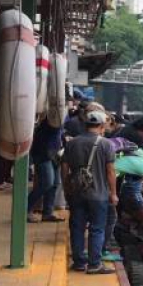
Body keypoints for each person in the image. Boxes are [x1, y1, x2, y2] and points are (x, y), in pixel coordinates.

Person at [62, 110, 118, 274]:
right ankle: (94, 264)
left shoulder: (72, 143)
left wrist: (66, 188)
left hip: (77, 193)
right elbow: (110, 172)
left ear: (85, 125)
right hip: (99, 195)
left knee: (77, 227)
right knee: (97, 228)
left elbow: (64, 167)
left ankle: (79, 262)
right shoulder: (106, 144)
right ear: (101, 126)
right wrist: (113, 193)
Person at [27, 119, 64, 223]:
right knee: (46, 183)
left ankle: (48, 212)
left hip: (54, 154)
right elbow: (42, 142)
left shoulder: (59, 121)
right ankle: (26, 209)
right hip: (43, 155)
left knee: (55, 183)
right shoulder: (49, 122)